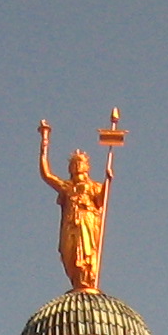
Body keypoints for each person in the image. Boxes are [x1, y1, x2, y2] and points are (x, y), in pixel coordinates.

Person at [38, 119, 114, 293]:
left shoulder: (94, 186)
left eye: (81, 162)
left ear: (87, 167)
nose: (78, 165)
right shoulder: (67, 187)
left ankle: (87, 279)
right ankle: (77, 279)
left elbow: (102, 199)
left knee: (87, 251)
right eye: (74, 163)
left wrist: (108, 180)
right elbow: (46, 174)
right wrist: (44, 142)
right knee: (69, 252)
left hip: (88, 221)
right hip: (71, 223)